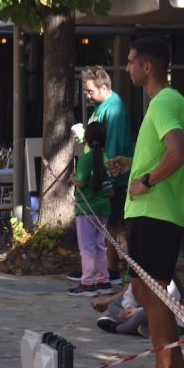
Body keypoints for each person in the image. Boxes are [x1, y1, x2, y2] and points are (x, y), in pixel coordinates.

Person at [107, 37, 184, 368]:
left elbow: (179, 152)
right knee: (144, 289)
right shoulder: (162, 103)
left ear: (147, 67)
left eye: (130, 62)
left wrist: (144, 180)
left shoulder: (165, 102)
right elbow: (164, 154)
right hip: (151, 212)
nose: (126, 68)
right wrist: (134, 167)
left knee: (152, 290)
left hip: (155, 213)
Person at [76, 65, 133, 286]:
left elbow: (115, 148)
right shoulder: (101, 107)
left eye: (90, 91)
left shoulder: (114, 109)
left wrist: (107, 179)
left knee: (109, 226)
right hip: (98, 174)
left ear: (104, 87)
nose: (87, 96)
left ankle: (110, 270)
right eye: (86, 92)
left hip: (109, 177)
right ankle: (99, 270)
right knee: (101, 228)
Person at [67, 121, 113, 297]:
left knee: (87, 247)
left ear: (86, 139)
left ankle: (87, 282)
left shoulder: (85, 159)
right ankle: (103, 280)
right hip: (104, 207)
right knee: (100, 245)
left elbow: (81, 182)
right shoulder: (106, 157)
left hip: (86, 208)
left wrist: (72, 178)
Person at [93, 280, 181, 337]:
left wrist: (137, 311)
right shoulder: (138, 277)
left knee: (144, 314)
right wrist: (128, 308)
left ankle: (120, 328)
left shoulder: (168, 284)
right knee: (112, 305)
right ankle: (140, 329)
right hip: (139, 313)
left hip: (163, 318)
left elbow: (163, 306)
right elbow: (129, 295)